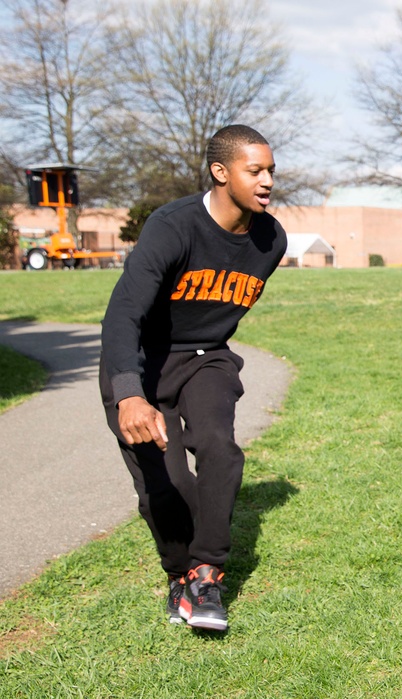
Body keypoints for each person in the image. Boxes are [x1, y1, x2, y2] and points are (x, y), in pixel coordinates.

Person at [99, 124, 287, 630]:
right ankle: (178, 575)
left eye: (271, 169)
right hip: (144, 362)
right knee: (167, 485)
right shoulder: (173, 226)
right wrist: (128, 396)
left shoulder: (271, 240)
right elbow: (122, 316)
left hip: (207, 358)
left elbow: (217, 312)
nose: (267, 179)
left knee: (219, 449)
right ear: (221, 172)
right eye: (255, 170)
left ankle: (206, 574)